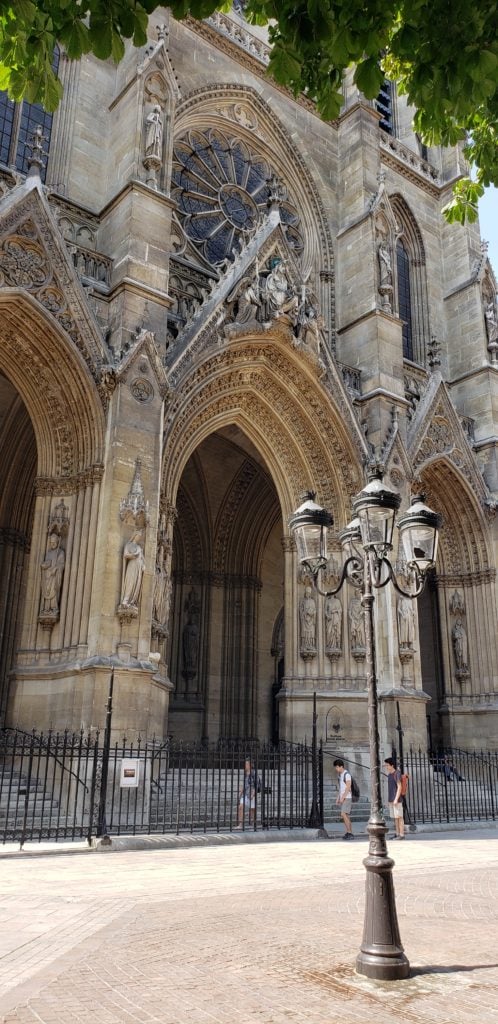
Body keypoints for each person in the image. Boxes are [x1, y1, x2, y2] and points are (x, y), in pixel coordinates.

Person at [40, 532, 65, 615]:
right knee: (46, 591)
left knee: (54, 590)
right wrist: (45, 565)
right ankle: (46, 608)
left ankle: (54, 608)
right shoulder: (49, 553)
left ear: (57, 542)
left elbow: (61, 564)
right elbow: (47, 562)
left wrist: (56, 568)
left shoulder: (60, 552)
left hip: (55, 576)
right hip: (48, 576)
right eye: (51, 543)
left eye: (54, 542)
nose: (52, 544)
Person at [384, 757, 404, 839]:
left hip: (397, 800)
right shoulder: (389, 775)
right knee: (395, 817)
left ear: (392, 765)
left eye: (387, 765)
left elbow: (399, 787)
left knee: (400, 817)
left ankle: (402, 834)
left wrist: (396, 799)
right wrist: (390, 800)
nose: (386, 767)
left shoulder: (397, 773)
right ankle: (397, 833)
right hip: (391, 800)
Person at [333, 758, 354, 840]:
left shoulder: (347, 775)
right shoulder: (341, 775)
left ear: (341, 766)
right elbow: (341, 788)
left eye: (337, 767)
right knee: (346, 815)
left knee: (343, 814)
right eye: (335, 767)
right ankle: (349, 832)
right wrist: (338, 797)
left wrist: (342, 797)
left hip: (347, 797)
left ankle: (349, 832)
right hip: (344, 797)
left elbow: (348, 787)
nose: (336, 769)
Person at [236, 760, 259, 828]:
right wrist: (240, 793)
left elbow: (256, 784)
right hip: (245, 794)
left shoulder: (254, 774)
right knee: (240, 807)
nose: (245, 766)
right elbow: (244, 784)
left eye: (246, 764)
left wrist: (253, 794)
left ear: (250, 765)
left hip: (251, 793)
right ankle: (240, 824)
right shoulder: (245, 774)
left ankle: (253, 823)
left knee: (252, 810)